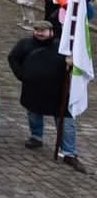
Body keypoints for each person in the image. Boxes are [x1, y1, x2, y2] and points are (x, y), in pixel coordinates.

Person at [7, 19, 85, 172]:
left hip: (58, 91)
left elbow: (76, 63)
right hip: (33, 89)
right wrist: (22, 75)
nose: (39, 33)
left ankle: (69, 152)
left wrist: (71, 63)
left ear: (51, 32)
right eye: (37, 30)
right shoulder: (25, 44)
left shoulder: (62, 47)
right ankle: (36, 137)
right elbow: (13, 58)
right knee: (34, 113)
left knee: (65, 121)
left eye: (43, 30)